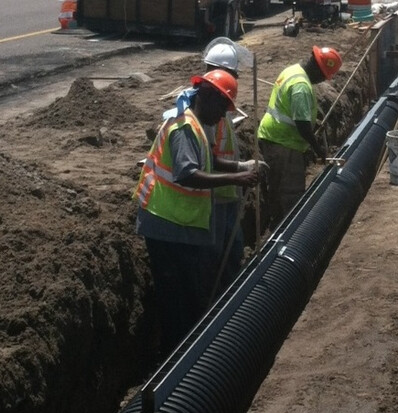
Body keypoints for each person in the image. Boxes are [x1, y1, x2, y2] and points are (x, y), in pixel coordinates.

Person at [134, 70, 260, 355]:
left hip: (180, 225)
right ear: (206, 96)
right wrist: (236, 180)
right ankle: (174, 357)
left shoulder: (197, 124)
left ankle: (186, 349)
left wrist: (241, 167)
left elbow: (209, 160)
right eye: (222, 107)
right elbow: (187, 174)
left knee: (190, 295)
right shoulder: (183, 128)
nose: (222, 116)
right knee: (177, 300)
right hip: (166, 225)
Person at [162, 38, 264, 296]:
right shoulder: (198, 109)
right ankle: (220, 301)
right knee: (215, 258)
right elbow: (198, 160)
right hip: (212, 196)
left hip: (227, 191)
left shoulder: (217, 103)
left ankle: (230, 294)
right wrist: (238, 174)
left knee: (232, 251)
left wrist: (243, 166)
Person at [256, 45, 342, 229]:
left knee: (276, 189)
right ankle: (288, 231)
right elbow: (302, 126)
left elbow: (293, 111)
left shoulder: (292, 70)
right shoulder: (301, 86)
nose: (321, 81)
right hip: (284, 144)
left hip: (274, 137)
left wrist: (312, 123)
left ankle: (276, 226)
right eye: (323, 76)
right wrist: (318, 149)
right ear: (318, 69)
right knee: (290, 194)